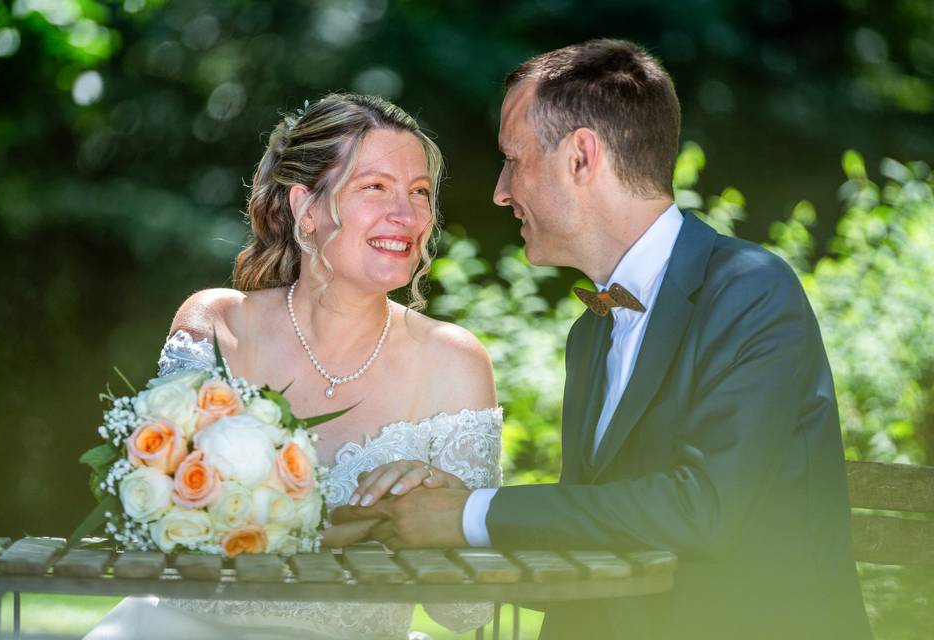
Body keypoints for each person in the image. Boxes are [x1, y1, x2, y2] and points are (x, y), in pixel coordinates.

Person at [332, 39, 873, 639]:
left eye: (514, 158)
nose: (500, 190)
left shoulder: (750, 290)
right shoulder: (590, 332)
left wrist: (468, 514)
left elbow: (703, 510)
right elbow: (595, 530)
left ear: (581, 158)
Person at [84, 93, 502, 640]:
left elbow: (470, 614)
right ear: (305, 207)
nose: (407, 215)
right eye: (375, 187)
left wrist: (447, 515)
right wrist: (321, 530)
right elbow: (156, 528)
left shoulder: (454, 362)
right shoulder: (218, 326)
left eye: (419, 192)